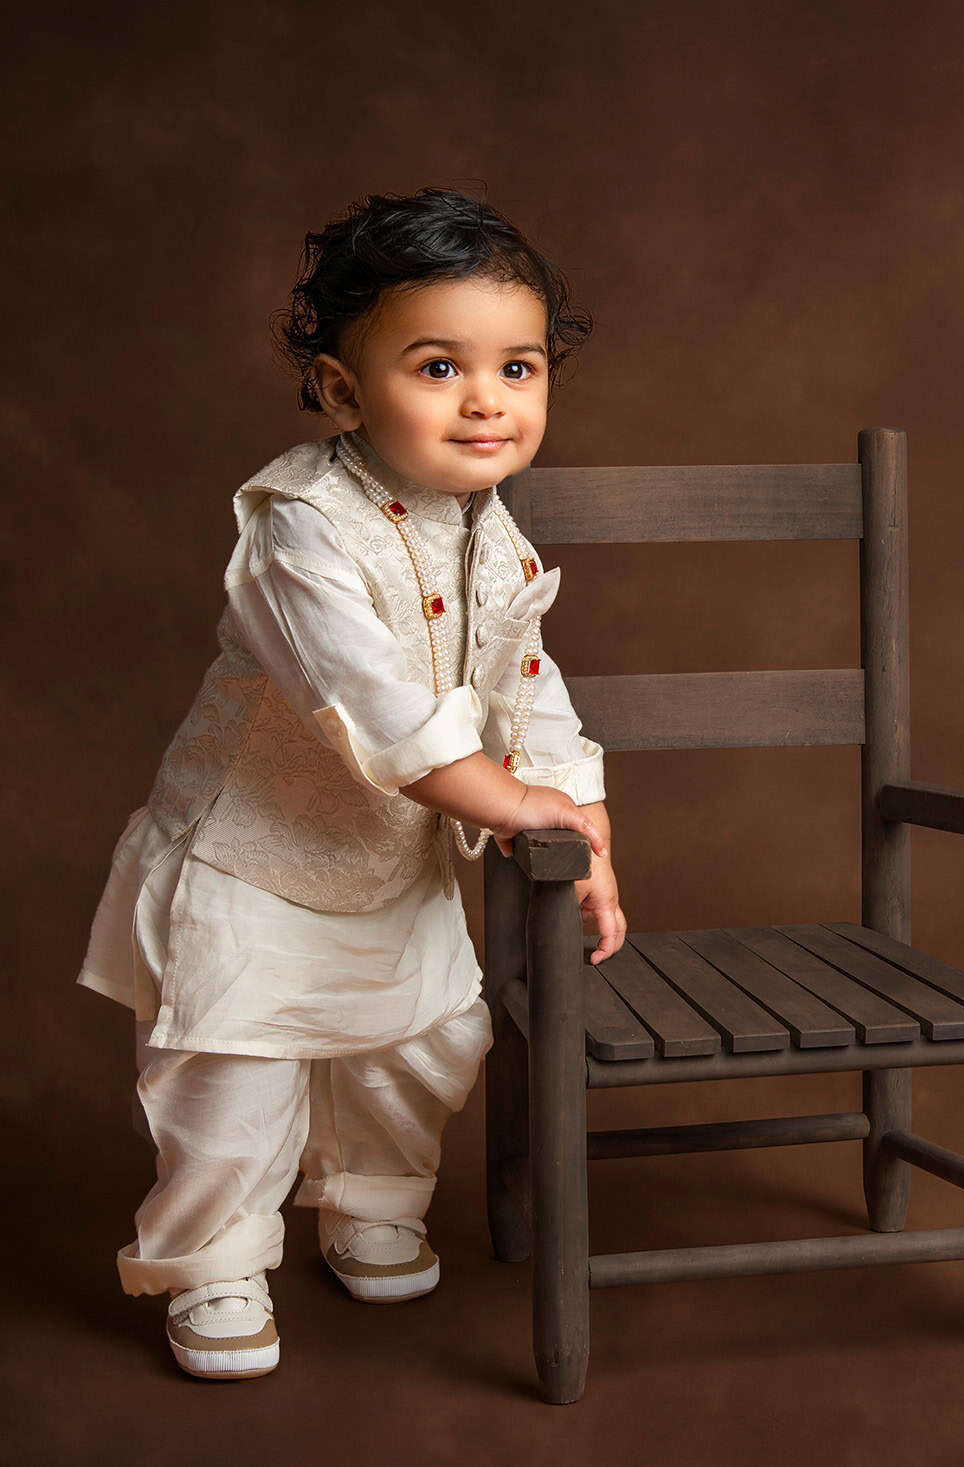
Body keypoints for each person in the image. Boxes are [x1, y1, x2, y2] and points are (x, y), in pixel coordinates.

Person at [75, 187, 626, 1381]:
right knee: (233, 1072)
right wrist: (510, 801)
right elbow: (374, 704)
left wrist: (579, 813)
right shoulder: (298, 529)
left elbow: (526, 681)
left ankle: (371, 1199)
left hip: (391, 857)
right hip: (254, 859)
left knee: (418, 1049)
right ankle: (215, 1258)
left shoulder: (495, 534)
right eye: (437, 366)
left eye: (517, 367)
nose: (486, 400)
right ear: (338, 390)